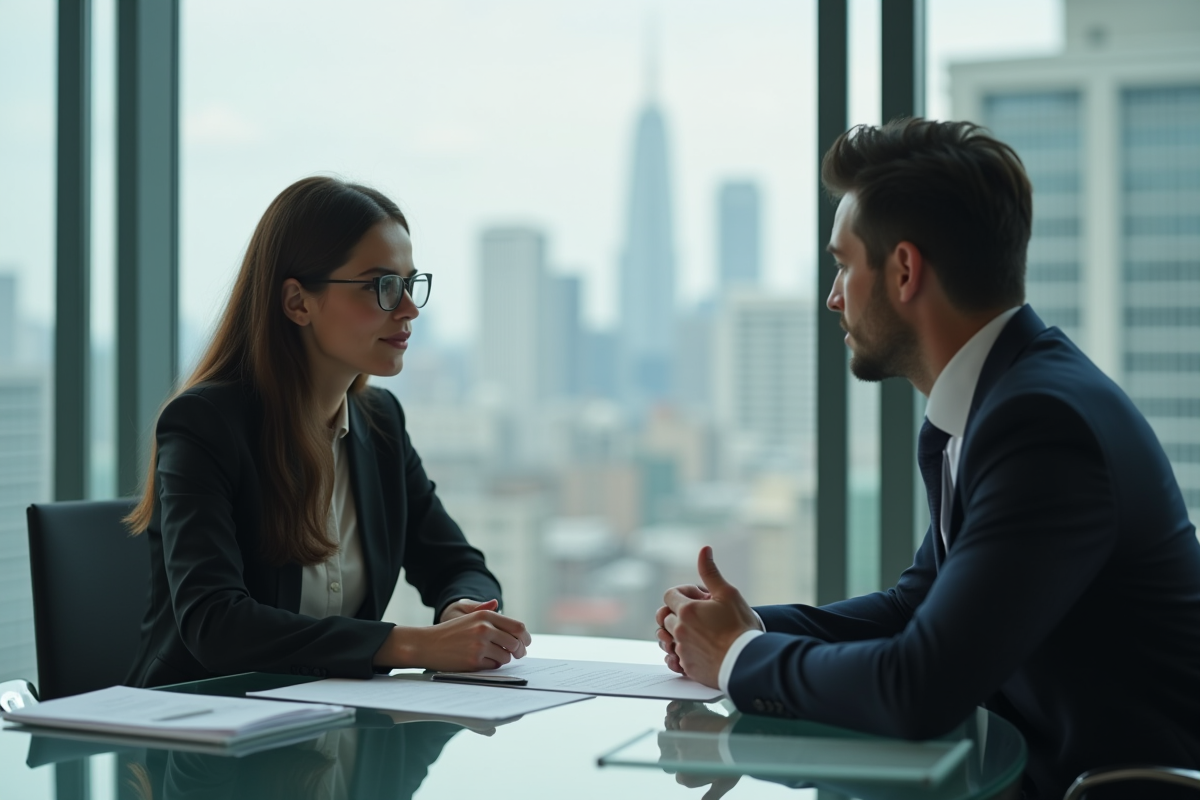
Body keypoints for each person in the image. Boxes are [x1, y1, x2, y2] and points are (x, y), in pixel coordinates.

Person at [655, 119, 1200, 800]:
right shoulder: (994, 403)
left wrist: (737, 656)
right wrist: (747, 626)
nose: (833, 296)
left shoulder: (1043, 425)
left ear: (905, 271)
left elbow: (919, 689)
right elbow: (916, 605)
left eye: (843, 264)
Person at [125, 176, 531, 688]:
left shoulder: (380, 423)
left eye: (410, 283)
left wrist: (462, 609)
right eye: (381, 286)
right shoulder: (205, 424)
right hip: (201, 718)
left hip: (330, 715)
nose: (409, 308)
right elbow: (216, 623)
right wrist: (410, 645)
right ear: (298, 302)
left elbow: (456, 563)